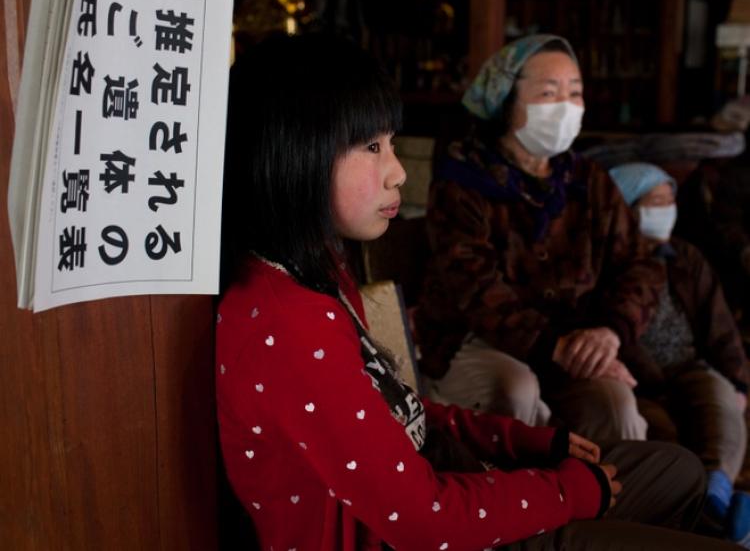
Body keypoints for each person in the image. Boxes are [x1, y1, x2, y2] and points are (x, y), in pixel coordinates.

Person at [216, 32, 740, 550]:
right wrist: (564, 485)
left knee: (678, 466)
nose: (397, 171)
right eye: (372, 147)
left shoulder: (319, 269)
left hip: (470, 460)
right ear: (293, 153)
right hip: (477, 423)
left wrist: (534, 438)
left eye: (575, 91)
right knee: (533, 396)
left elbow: (403, 415)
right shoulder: (283, 319)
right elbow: (424, 518)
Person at [414, 34, 661, 445]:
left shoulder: (590, 182)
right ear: (506, 101)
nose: (566, 106)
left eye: (575, 93)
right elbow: (472, 285)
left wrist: (608, 334)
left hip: (573, 340)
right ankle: (513, 503)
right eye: (549, 93)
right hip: (478, 338)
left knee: (615, 406)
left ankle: (613, 504)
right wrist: (554, 345)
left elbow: (641, 265)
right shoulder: (463, 181)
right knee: (515, 389)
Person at [609, 161, 750, 547]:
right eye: (654, 201)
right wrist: (654, 382)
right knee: (665, 436)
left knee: (721, 405)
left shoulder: (686, 257)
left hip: (689, 366)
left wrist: (737, 380)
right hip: (638, 379)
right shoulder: (608, 263)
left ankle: (716, 496)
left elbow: (720, 327)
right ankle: (688, 514)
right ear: (626, 206)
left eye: (670, 201)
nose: (666, 210)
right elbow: (614, 331)